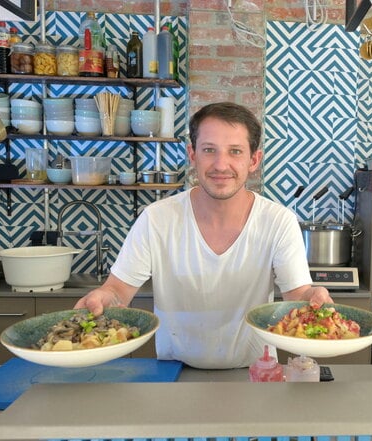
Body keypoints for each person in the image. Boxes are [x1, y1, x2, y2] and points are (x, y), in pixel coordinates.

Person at [75, 102, 332, 369]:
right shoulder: (156, 219)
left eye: (235, 151)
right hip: (174, 372)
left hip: (255, 373)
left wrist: (313, 296)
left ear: (253, 160)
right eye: (209, 150)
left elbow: (297, 296)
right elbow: (118, 291)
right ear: (193, 155)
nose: (221, 165)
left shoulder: (278, 221)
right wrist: (104, 296)